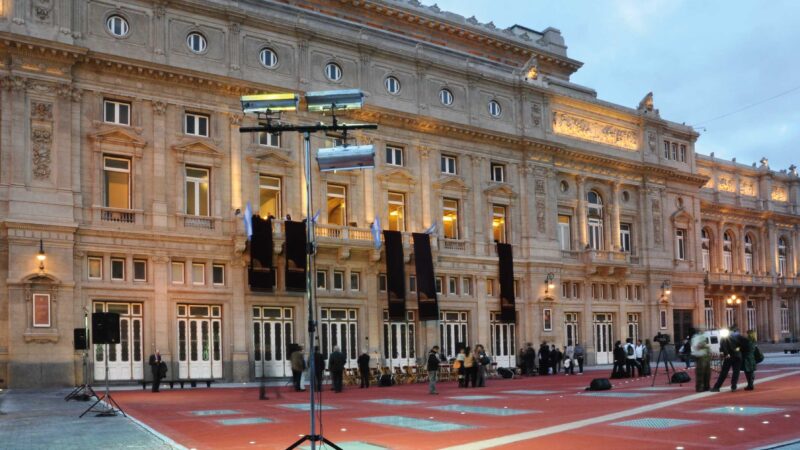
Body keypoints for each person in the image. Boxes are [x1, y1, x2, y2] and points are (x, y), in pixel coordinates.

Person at [712, 327, 744, 392]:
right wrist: (738, 351)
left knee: (724, 372)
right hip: (737, 356)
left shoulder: (724, 337)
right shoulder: (738, 337)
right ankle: (733, 386)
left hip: (729, 356)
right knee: (736, 372)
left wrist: (726, 354)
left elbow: (723, 346)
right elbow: (742, 346)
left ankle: (717, 387)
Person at [690, 328, 711, 392]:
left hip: (705, 356)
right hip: (700, 357)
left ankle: (706, 386)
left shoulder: (702, 337)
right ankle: (699, 387)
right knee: (700, 373)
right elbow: (697, 346)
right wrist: (705, 346)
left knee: (707, 373)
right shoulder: (696, 338)